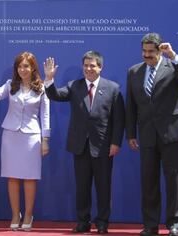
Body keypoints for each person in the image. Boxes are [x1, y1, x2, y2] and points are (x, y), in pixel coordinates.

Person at [44, 51, 125, 234]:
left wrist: (116, 143)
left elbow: (119, 120)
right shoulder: (75, 86)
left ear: (100, 67)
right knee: (82, 187)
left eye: (92, 65)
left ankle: (102, 222)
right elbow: (55, 95)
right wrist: (49, 80)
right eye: (86, 65)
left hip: (103, 146)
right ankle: (83, 221)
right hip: (80, 146)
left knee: (103, 187)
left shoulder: (113, 88)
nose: (89, 69)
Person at [125, 32, 178, 236]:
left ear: (159, 51)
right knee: (149, 181)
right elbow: (131, 105)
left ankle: (175, 224)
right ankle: (150, 225)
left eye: (151, 52)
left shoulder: (171, 66)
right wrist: (131, 134)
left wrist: (173, 56)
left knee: (174, 179)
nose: (146, 55)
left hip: (173, 131)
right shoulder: (134, 71)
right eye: (144, 52)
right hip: (147, 133)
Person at [0, 52, 50, 231]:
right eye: (20, 66)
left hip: (32, 137)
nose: (23, 69)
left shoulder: (42, 88)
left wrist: (45, 139)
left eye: (26, 66)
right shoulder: (10, 85)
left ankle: (28, 214)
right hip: (11, 136)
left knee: (29, 177)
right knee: (12, 176)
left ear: (33, 68)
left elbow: (45, 115)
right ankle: (15, 214)